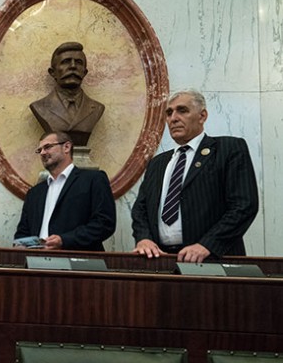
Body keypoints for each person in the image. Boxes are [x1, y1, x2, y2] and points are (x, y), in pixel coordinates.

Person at [131, 89, 258, 262]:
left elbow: (244, 206)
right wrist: (143, 238)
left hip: (213, 260)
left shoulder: (228, 149)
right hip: (161, 260)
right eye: (169, 113)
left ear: (202, 116)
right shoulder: (157, 163)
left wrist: (207, 245)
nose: (173, 118)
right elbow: (140, 209)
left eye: (182, 110)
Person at [14, 132, 116, 250]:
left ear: (66, 147)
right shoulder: (34, 193)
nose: (42, 153)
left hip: (78, 258)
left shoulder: (93, 180)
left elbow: (104, 223)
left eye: (47, 147)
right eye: (39, 150)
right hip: (36, 259)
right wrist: (20, 246)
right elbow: (22, 232)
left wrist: (64, 240)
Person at [30, 42, 105, 146]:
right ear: (52, 72)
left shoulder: (97, 108)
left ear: (84, 72)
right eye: (66, 62)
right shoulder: (40, 107)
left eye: (78, 62)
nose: (73, 66)